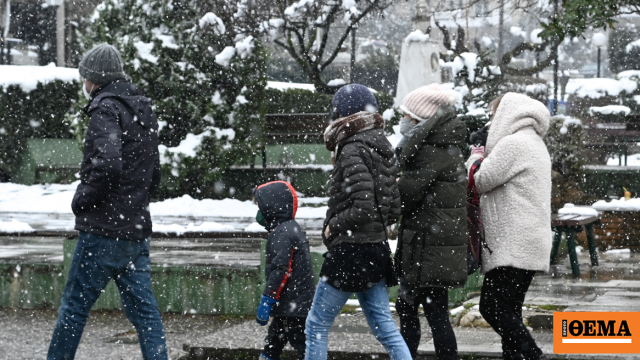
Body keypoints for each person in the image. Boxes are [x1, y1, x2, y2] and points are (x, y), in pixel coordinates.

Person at [47, 43, 166, 360]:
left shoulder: (105, 108)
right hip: (135, 231)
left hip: (103, 230)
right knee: (145, 315)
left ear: (94, 79)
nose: (84, 84)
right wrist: (134, 203)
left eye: (84, 77)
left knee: (74, 309)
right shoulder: (142, 108)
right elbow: (154, 172)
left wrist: (82, 200)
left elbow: (108, 164)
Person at [304, 84, 411, 360]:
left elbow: (362, 206)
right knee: (384, 328)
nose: (332, 115)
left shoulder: (352, 147)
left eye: (336, 110)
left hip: (350, 251)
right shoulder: (382, 145)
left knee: (316, 325)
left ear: (345, 114)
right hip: (375, 249)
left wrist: (333, 225)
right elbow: (393, 206)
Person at [466, 93, 551, 360]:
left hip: (513, 245)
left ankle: (535, 355)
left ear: (505, 115)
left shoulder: (514, 144)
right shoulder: (533, 141)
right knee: (510, 312)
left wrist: (476, 151)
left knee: (491, 308)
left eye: (494, 116)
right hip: (527, 241)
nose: (491, 123)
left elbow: (477, 180)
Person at [394, 84, 468, 360]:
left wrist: (393, 184)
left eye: (407, 116)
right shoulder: (445, 145)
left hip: (426, 247)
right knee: (435, 313)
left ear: (419, 120)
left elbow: (405, 197)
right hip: (434, 244)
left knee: (413, 311)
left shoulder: (429, 150)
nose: (403, 121)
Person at [253, 181, 316, 360]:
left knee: (301, 344)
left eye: (261, 207)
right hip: (293, 303)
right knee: (274, 341)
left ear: (272, 208)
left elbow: (281, 269)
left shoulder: (282, 233)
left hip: (292, 305)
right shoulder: (288, 228)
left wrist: (268, 298)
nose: (259, 213)